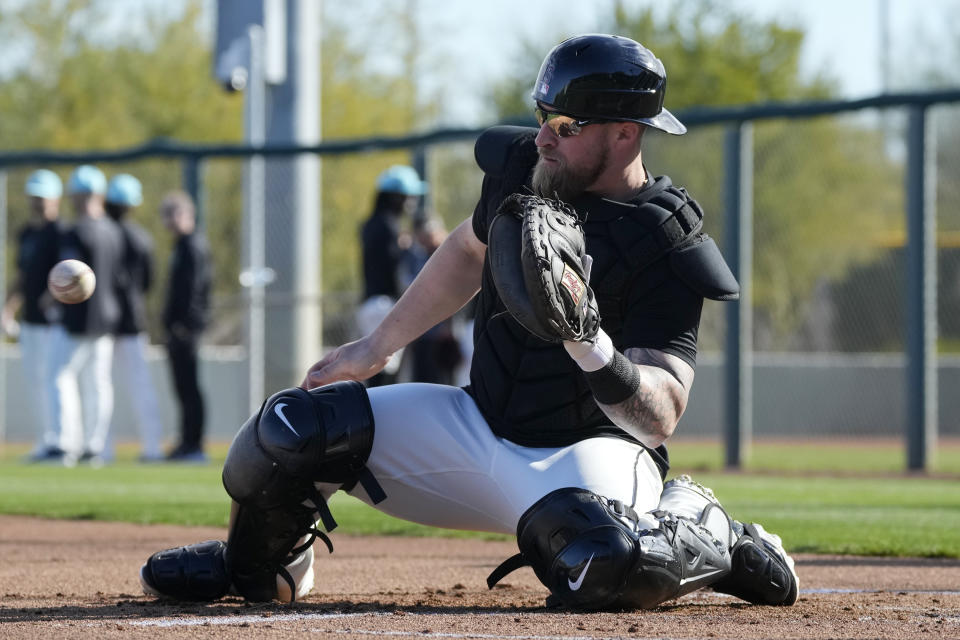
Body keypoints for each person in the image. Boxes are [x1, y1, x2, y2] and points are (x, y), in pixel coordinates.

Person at [139, 34, 798, 610]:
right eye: (544, 116)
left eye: (567, 125)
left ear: (626, 132)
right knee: (289, 428)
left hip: (587, 456)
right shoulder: (524, 172)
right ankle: (262, 571)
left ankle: (704, 527)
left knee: (605, 561)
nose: (544, 137)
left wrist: (585, 338)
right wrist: (373, 348)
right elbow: (462, 253)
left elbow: (660, 415)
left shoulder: (665, 238)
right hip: (476, 422)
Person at [49, 165, 125, 466]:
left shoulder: (76, 230)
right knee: (98, 382)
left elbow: (67, 279)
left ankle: (64, 442)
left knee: (60, 375)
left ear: (79, 196)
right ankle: (95, 446)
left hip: (79, 316)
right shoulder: (114, 230)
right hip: (107, 315)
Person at [1, 170, 65, 462]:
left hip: (53, 322)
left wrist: (52, 297)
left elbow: (71, 274)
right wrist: (8, 306)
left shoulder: (61, 232)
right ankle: (44, 441)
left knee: (55, 381)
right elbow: (23, 275)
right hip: (29, 321)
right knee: (35, 382)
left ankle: (61, 442)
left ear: (55, 199)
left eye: (43, 198)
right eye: (34, 197)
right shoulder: (27, 233)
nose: (38, 203)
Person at [105, 173, 166, 462]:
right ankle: (151, 447)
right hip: (132, 319)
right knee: (140, 386)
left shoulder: (104, 234)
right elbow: (148, 284)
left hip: (106, 322)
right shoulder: (142, 237)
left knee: (101, 386)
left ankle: (102, 450)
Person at [357, 165, 427, 387]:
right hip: (383, 304)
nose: (412, 202)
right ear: (396, 197)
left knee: (379, 372)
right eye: (409, 197)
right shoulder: (388, 227)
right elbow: (393, 269)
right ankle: (380, 420)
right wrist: (405, 249)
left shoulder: (371, 224)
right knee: (385, 376)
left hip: (371, 303)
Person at [159, 191, 212, 463]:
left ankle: (194, 444)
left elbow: (193, 291)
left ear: (186, 214)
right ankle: (186, 441)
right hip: (178, 328)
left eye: (172, 214)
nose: (168, 221)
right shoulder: (181, 246)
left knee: (189, 386)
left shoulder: (193, 246)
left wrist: (184, 326)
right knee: (182, 386)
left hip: (187, 329)